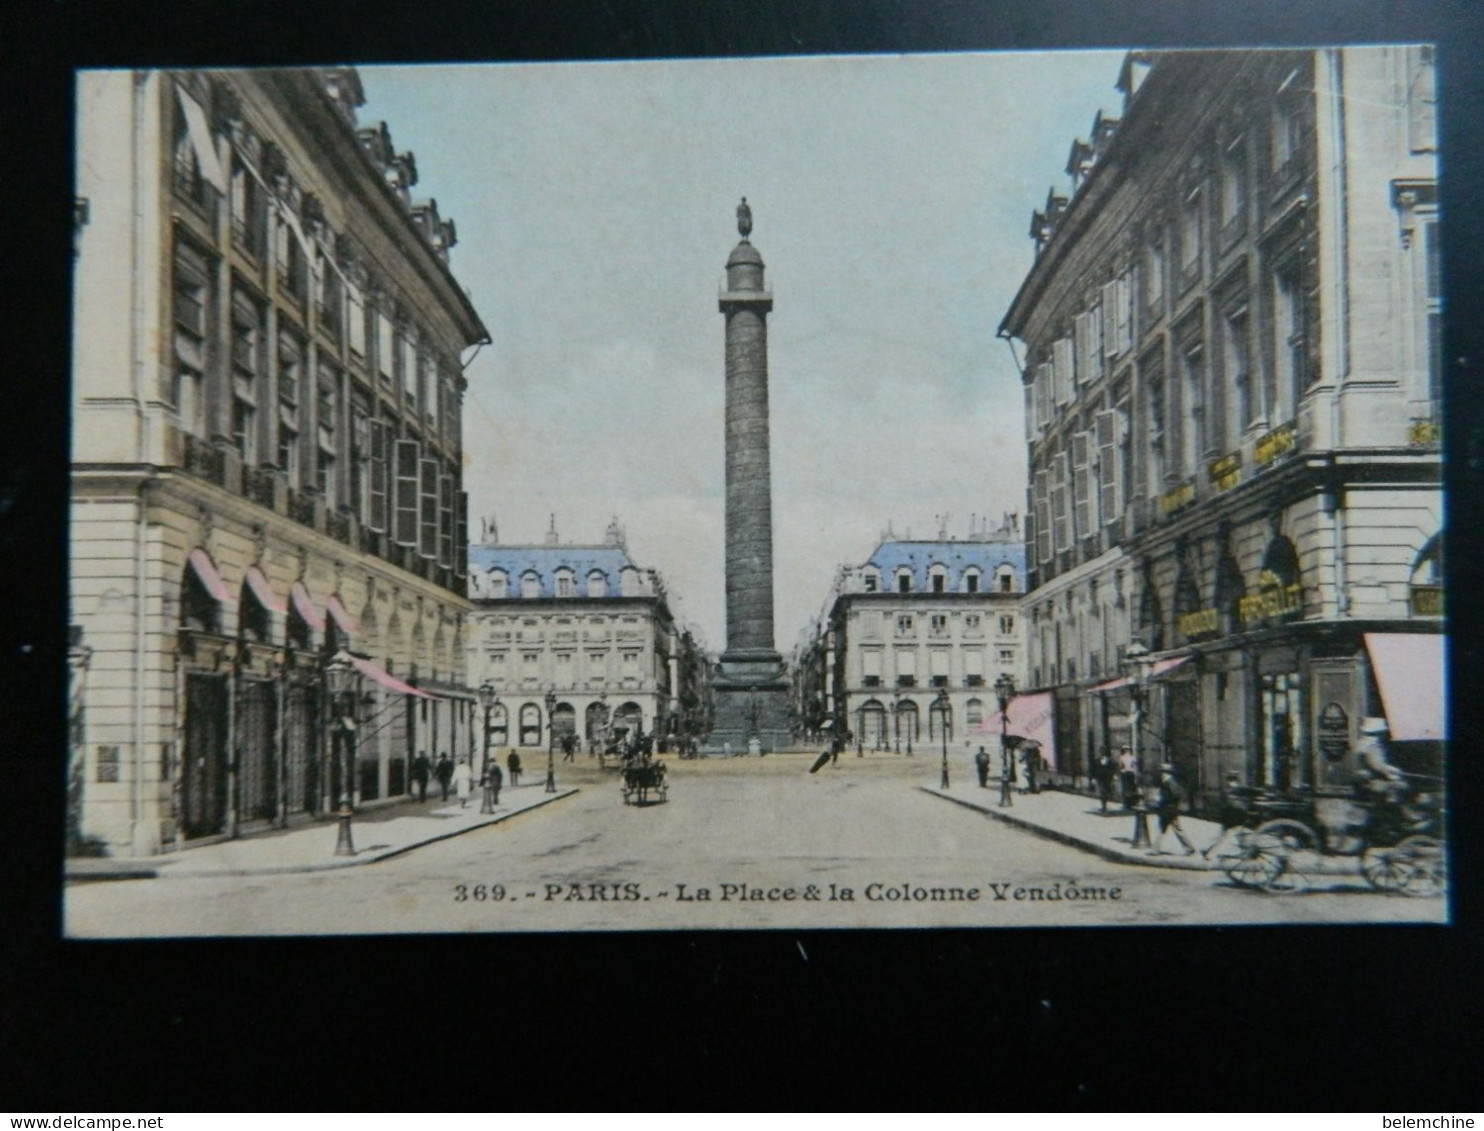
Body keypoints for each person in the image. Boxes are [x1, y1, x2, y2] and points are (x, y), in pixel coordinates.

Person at [1150, 762, 1196, 856]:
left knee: (1168, 829)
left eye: (1162, 772)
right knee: (1167, 829)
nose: (1161, 774)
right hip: (1167, 809)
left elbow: (1177, 795)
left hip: (1169, 809)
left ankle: (1189, 848)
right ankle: (1156, 849)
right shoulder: (1167, 782)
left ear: (1167, 773)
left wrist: (1164, 800)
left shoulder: (1170, 782)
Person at [1093, 748, 1117, 814]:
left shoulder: (1110, 761)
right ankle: (1103, 806)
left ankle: (1105, 803)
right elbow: (1094, 769)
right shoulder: (1097, 760)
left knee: (1106, 791)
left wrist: (1114, 775)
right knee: (1102, 791)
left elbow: (1113, 768)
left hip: (1108, 778)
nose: (1103, 753)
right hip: (1100, 778)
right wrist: (1094, 778)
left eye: (1104, 752)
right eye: (1102, 752)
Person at [1117, 746, 1140, 810]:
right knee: (1127, 789)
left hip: (1130, 774)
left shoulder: (1132, 758)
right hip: (1126, 774)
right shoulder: (1122, 757)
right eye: (1125, 750)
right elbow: (1121, 766)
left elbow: (1135, 766)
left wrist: (1135, 773)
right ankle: (1127, 804)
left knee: (1130, 788)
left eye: (1128, 750)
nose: (1127, 751)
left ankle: (1130, 803)